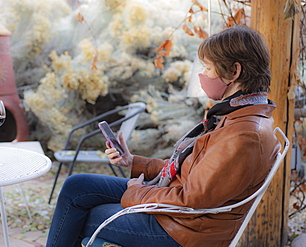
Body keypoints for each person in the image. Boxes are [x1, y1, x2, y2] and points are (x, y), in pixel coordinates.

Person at [46, 25, 281, 247]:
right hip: (178, 211)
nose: (203, 74)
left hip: (183, 229)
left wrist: (136, 192)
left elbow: (191, 199)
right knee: (77, 186)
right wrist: (134, 163)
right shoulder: (235, 115)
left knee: (81, 214)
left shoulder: (244, 136)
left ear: (234, 71)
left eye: (208, 68)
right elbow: (193, 173)